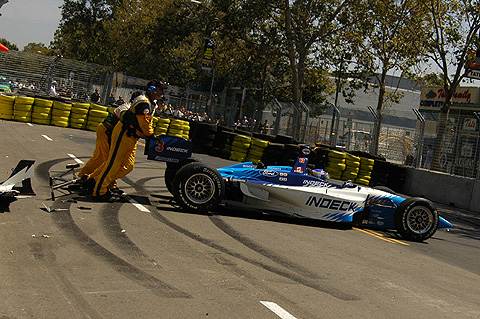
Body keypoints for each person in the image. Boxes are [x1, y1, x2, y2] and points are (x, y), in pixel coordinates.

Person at [85, 80, 167, 201]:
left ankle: (94, 180)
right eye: (161, 89)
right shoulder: (143, 103)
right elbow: (144, 124)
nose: (163, 92)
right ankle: (99, 191)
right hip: (123, 133)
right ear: (153, 89)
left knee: (128, 166)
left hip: (133, 137)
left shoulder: (150, 103)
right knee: (113, 163)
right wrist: (151, 135)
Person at [78, 91, 142, 194]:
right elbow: (126, 120)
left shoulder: (132, 108)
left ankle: (83, 177)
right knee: (111, 161)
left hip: (106, 130)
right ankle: (96, 182)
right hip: (107, 130)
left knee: (99, 158)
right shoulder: (127, 108)